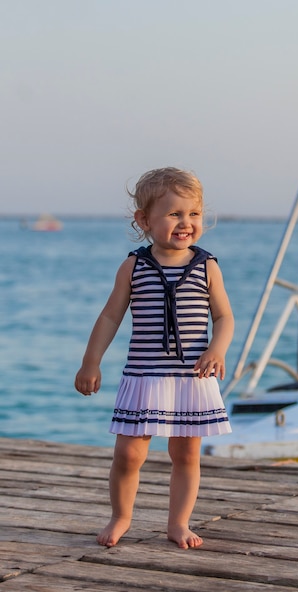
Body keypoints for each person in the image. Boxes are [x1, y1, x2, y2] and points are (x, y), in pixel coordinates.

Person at [75, 167, 234, 549]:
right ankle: (121, 516)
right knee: (129, 454)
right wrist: (91, 361)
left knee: (186, 454)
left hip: (191, 378)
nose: (186, 222)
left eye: (193, 213)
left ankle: (178, 523)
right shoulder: (134, 266)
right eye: (174, 213)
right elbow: (110, 315)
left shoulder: (207, 266)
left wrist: (217, 348)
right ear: (144, 220)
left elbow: (224, 316)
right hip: (144, 376)